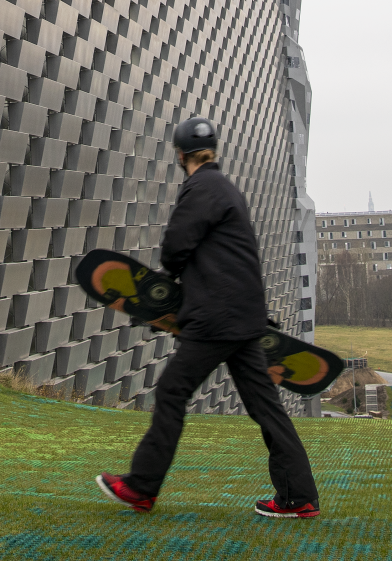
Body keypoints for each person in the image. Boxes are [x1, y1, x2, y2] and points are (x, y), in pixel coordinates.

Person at [96, 117, 321, 519]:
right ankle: (298, 497)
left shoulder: (199, 187)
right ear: (212, 151)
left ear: (180, 155)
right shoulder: (228, 189)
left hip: (216, 319)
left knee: (171, 392)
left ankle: (141, 488)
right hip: (244, 316)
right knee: (266, 409)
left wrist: (168, 285)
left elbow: (175, 246)